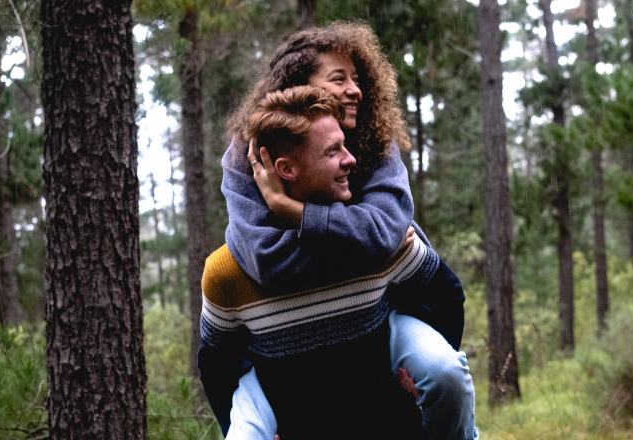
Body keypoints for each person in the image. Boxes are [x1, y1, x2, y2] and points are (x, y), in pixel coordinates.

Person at [199, 22, 476, 440]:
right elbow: (263, 257)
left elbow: (386, 235)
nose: (356, 90)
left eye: (358, 78)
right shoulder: (248, 155)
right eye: (338, 78)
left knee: (442, 373)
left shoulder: (374, 142)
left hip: (383, 313)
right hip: (281, 345)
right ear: (294, 87)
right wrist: (356, 244)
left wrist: (287, 207)